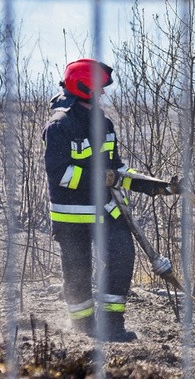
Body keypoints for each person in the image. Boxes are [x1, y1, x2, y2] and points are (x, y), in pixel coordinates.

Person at [43, 59, 176, 342]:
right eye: (98, 88)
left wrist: (154, 186)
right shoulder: (59, 125)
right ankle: (83, 327)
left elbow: (116, 171)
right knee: (78, 271)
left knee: (121, 256)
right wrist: (100, 178)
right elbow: (60, 174)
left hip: (106, 211)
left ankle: (112, 325)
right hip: (73, 216)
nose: (102, 93)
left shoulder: (104, 124)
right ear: (84, 89)